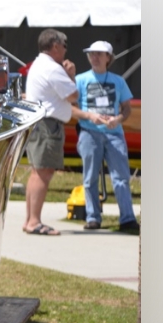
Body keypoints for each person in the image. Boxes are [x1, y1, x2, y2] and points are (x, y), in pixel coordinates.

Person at [22, 29, 106, 236]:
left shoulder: (39, 64)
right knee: (44, 172)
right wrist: (70, 75)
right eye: (65, 45)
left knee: (37, 172)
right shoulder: (52, 68)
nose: (66, 50)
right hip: (47, 126)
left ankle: (30, 220)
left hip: (40, 123)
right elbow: (73, 95)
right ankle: (34, 221)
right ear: (56, 46)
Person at [75, 41, 139, 232]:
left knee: (121, 177)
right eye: (91, 54)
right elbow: (70, 107)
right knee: (90, 177)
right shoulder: (80, 80)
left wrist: (118, 119)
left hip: (114, 134)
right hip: (89, 132)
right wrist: (89, 116)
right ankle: (93, 217)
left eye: (99, 54)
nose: (94, 57)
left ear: (108, 58)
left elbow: (127, 107)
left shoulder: (118, 81)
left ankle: (127, 218)